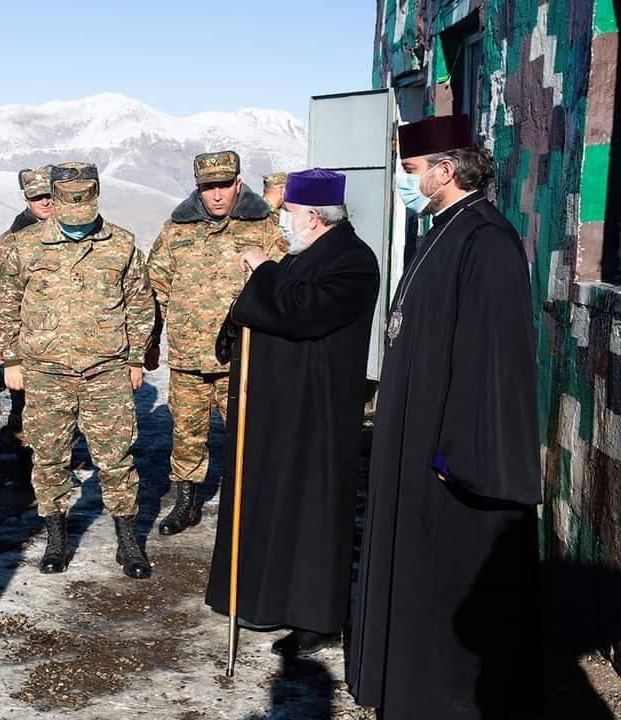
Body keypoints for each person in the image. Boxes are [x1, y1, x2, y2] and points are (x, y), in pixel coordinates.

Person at [347, 114, 543, 719]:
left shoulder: (486, 239)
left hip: (447, 448)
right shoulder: (441, 230)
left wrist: (455, 451)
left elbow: (491, 358)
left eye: (410, 171)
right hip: (415, 428)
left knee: (444, 572)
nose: (404, 183)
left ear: (446, 169)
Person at [205, 168, 379, 657]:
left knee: (312, 511)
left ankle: (315, 618)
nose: (282, 221)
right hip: (283, 407)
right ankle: (268, 600)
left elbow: (302, 311)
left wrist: (264, 270)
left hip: (318, 412)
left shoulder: (353, 260)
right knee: (276, 503)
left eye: (289, 212)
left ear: (314, 217)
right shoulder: (307, 254)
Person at [0, 162, 155, 578]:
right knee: (49, 458)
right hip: (46, 372)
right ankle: (56, 540)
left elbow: (139, 303)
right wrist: (12, 358)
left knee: (117, 459)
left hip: (106, 371)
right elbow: (2, 299)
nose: (77, 221)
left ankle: (128, 542)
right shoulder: (24, 245)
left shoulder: (121, 243)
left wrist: (135, 359)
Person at [146, 150, 285, 537]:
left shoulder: (263, 227)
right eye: (209, 187)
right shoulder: (175, 230)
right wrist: (149, 343)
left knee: (249, 434)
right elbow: (155, 289)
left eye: (224, 185)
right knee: (186, 434)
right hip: (188, 357)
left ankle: (253, 505)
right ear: (198, 188)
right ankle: (186, 503)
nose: (218, 195)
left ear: (238, 183)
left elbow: (281, 286)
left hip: (242, 357)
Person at [0, 166, 53, 476]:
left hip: (65, 342)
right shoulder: (10, 241)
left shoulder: (72, 233)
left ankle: (55, 472)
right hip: (24, 340)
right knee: (25, 408)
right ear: (27, 199)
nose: (45, 202)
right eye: (38, 197)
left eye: (50, 195)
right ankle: (27, 474)